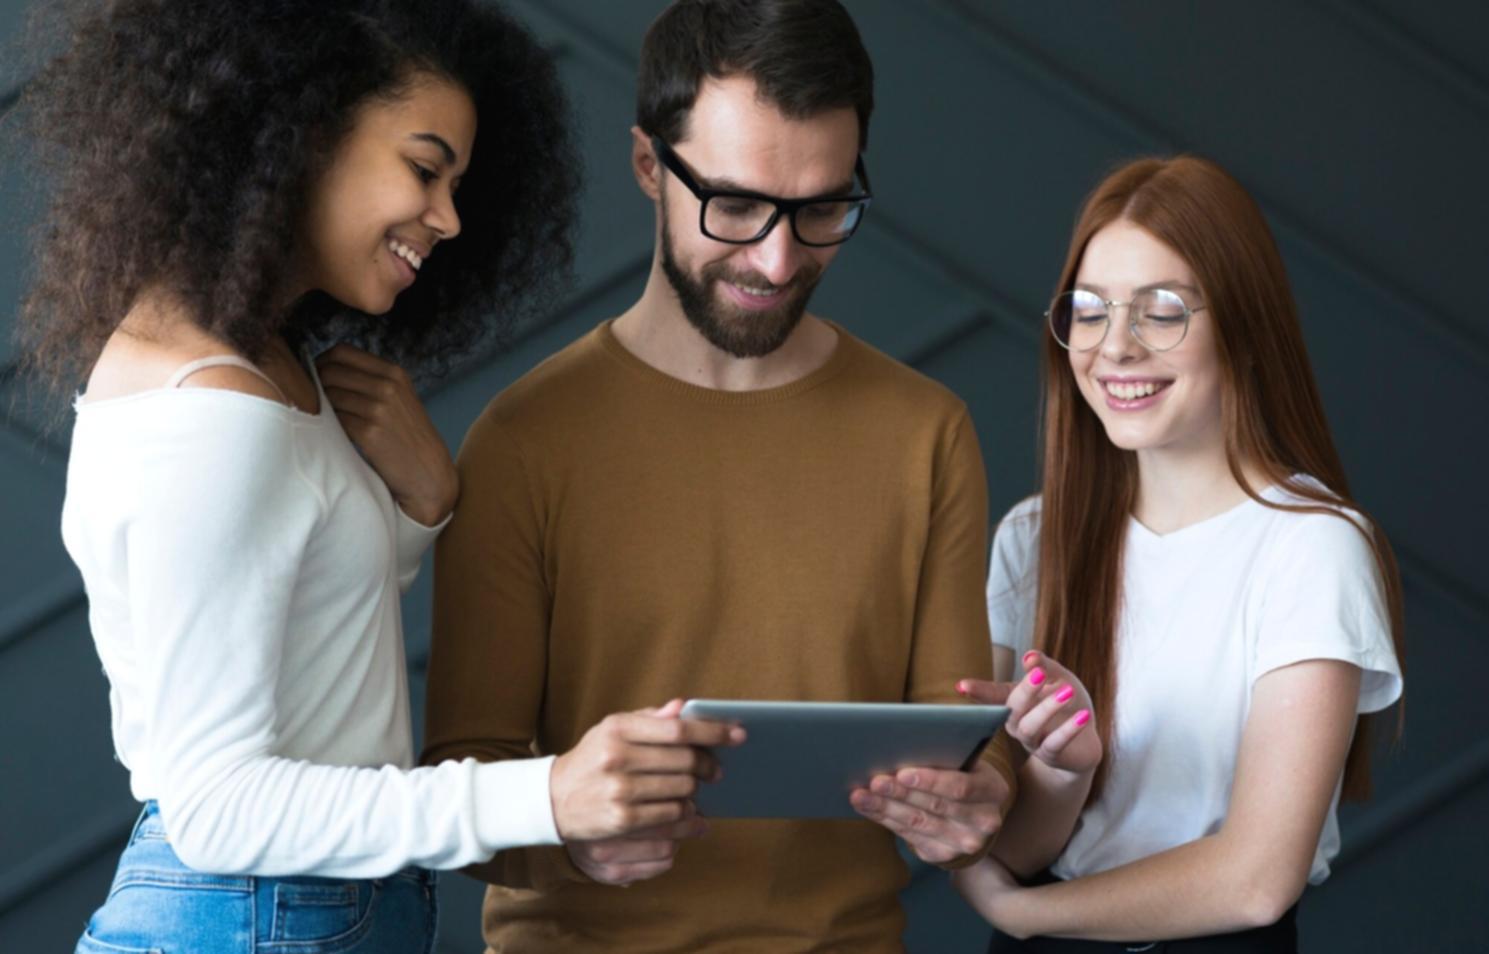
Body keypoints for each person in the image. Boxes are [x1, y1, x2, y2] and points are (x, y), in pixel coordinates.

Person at [14, 2, 738, 951]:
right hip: (255, 913)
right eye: (424, 167)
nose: (447, 217)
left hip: (300, 911)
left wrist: (423, 509)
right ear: (299, 131)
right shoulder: (213, 417)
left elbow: (308, 630)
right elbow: (218, 809)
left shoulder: (258, 360)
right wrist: (549, 794)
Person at [420, 0, 1017, 950]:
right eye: (734, 204)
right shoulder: (525, 440)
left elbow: (956, 742)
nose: (779, 260)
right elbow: (462, 773)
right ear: (651, 165)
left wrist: (982, 800)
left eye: (821, 207)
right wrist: (568, 838)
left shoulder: (925, 432)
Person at [952, 156, 1405, 952]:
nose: (1115, 348)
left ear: (1242, 325)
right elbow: (1011, 846)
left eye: (1161, 311)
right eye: (1089, 311)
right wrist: (1064, 771)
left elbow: (1255, 882)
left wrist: (1021, 914)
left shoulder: (1311, 546)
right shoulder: (1032, 537)